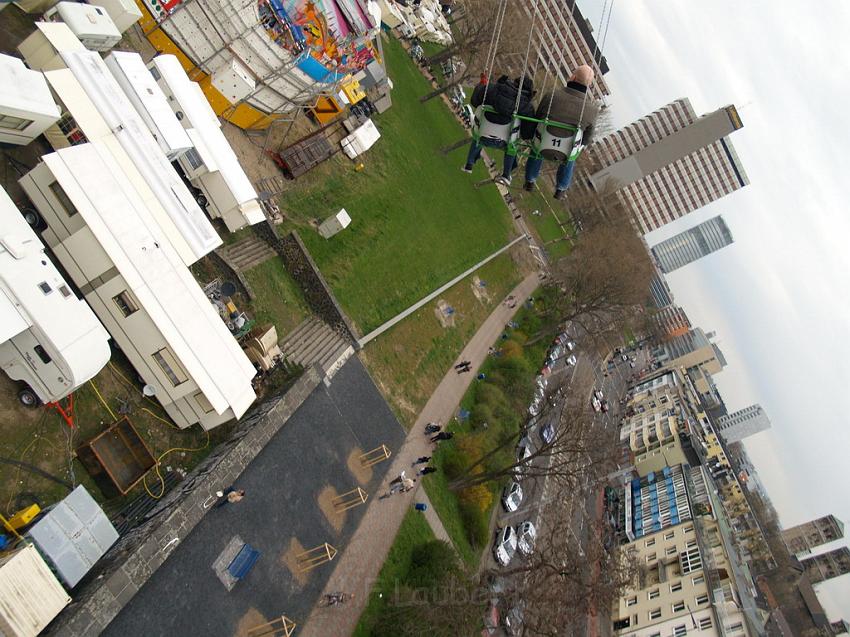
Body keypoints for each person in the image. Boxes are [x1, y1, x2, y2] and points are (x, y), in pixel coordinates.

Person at [524, 65, 601, 199]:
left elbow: (537, 118)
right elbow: (587, 140)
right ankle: (561, 188)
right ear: (588, 85)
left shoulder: (551, 95)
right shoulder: (592, 110)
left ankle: (530, 180)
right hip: (564, 154)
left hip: (542, 145)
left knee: (538, 143)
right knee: (573, 151)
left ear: (573, 77)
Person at [463, 75, 536, 182]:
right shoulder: (526, 106)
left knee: (479, 132)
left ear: (514, 82)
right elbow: (528, 133)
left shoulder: (494, 89)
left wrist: (482, 85)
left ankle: (469, 163)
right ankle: (506, 174)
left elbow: (475, 100)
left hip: (483, 133)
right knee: (513, 142)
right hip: (505, 141)